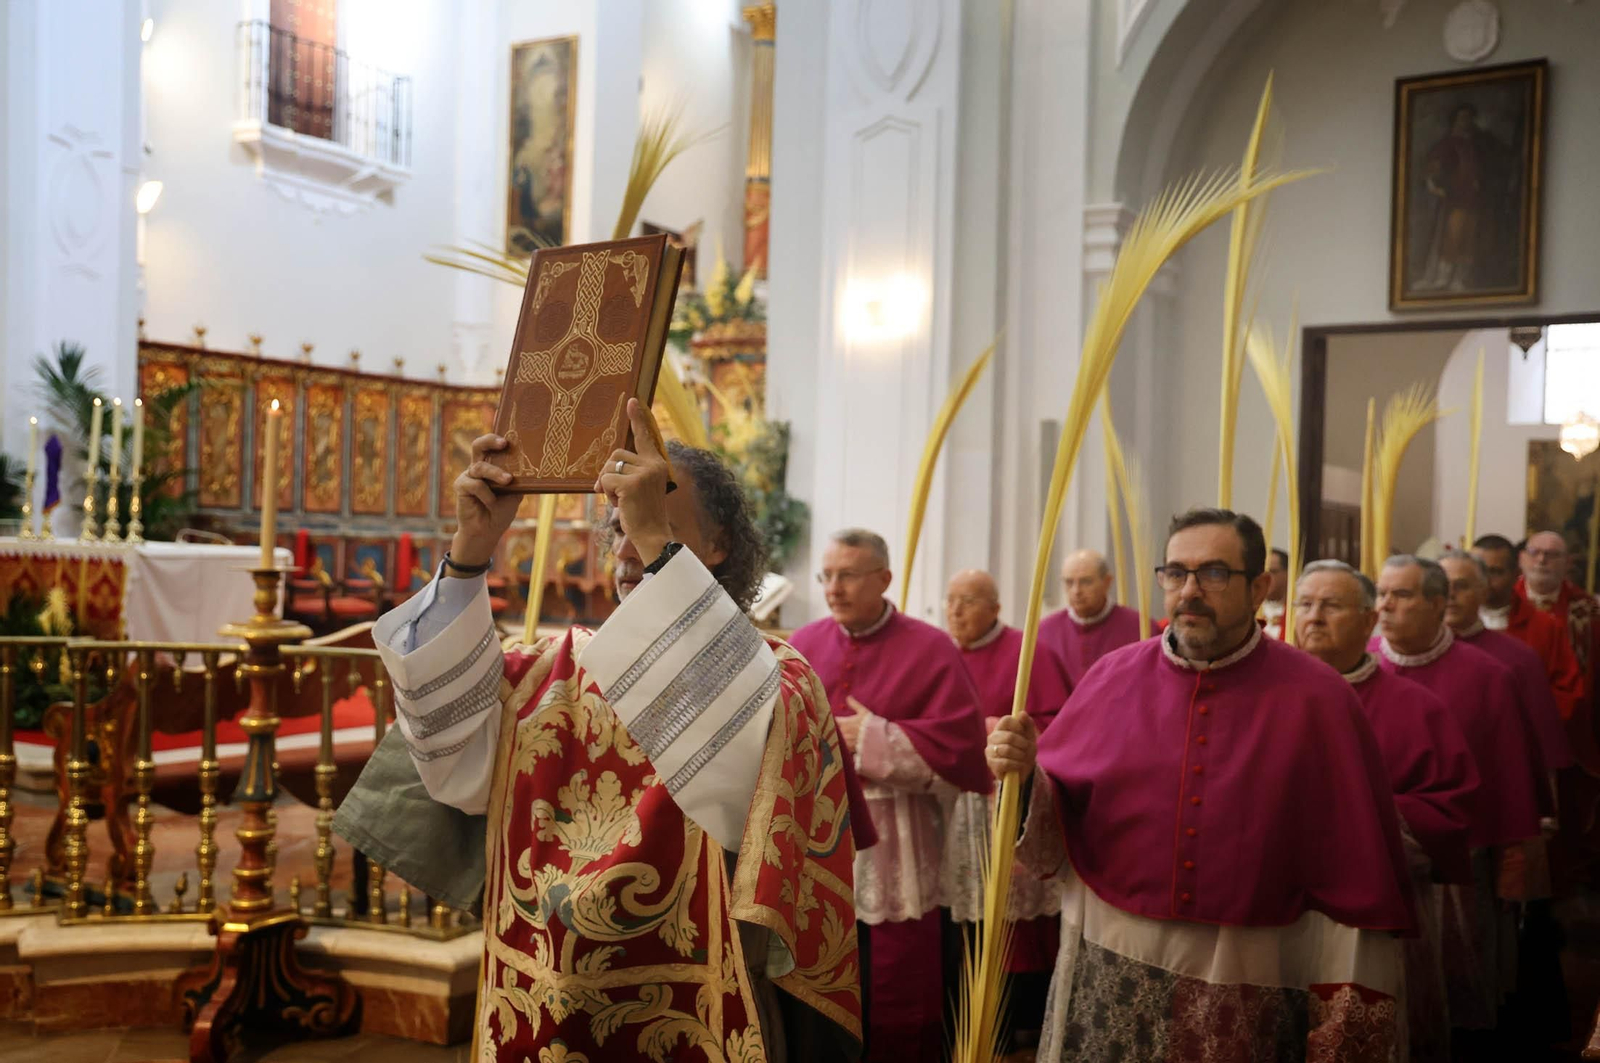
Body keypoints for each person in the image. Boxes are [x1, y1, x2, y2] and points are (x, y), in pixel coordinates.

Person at [333, 401, 869, 1061]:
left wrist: (657, 548)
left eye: (653, 524)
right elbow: (452, 763)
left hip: (703, 1002)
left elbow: (737, 784)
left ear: (719, 543)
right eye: (618, 526)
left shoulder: (782, 679)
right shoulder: (546, 669)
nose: (624, 548)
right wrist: (470, 552)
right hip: (535, 998)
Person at [987, 508, 1413, 1062]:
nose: (1189, 591)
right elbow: (1058, 816)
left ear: (1259, 587)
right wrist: (1022, 777)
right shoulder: (1113, 676)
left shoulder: (1319, 698)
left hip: (1245, 966)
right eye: (1175, 573)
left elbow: (1355, 866)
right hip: (1115, 956)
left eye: (1213, 574)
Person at [789, 530, 990, 1063]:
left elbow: (962, 754)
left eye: (848, 575)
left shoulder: (931, 649)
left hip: (897, 845)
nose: (834, 588)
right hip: (819, 843)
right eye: (826, 576)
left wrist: (870, 737)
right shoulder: (801, 645)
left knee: (897, 988)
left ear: (884, 578)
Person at [1294, 559, 1479, 1063]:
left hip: (1370, 910)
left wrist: (1353, 820)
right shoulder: (1262, 696)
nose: (1313, 616)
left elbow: (1449, 808)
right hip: (1275, 906)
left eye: (1331, 605)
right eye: (1305, 604)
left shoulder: (1416, 708)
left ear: (1369, 619)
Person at [1372, 554, 1545, 1047]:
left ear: (1438, 604)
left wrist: (1514, 860)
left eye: (1400, 595)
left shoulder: (1489, 676)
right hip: (1375, 856)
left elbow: (1510, 778)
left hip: (1459, 862)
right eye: (1381, 593)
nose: (1385, 605)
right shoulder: (1358, 663)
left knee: (1453, 979)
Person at [938, 569, 1072, 1051]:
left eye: (968, 600)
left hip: (1009, 800)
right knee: (965, 917)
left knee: (1020, 921)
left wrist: (1010, 733)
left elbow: (1059, 723)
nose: (955, 611)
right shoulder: (940, 653)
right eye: (950, 600)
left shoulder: (1027, 651)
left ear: (995, 607)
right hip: (958, 807)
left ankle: (1021, 1025)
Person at [1473, 534, 1583, 724]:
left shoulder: (1545, 627)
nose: (1485, 581)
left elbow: (1567, 692)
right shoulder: (1450, 625)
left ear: (1516, 573)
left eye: (1495, 572)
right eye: (1477, 573)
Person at [1036, 548, 1142, 686]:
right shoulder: (1044, 632)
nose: (1076, 591)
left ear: (1107, 582)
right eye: (1069, 582)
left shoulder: (1139, 627)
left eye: (1086, 582)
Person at [1262, 546, 1289, 639]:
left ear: (1287, 574)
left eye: (1272, 572)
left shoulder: (1297, 611)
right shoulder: (1248, 609)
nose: (1265, 578)